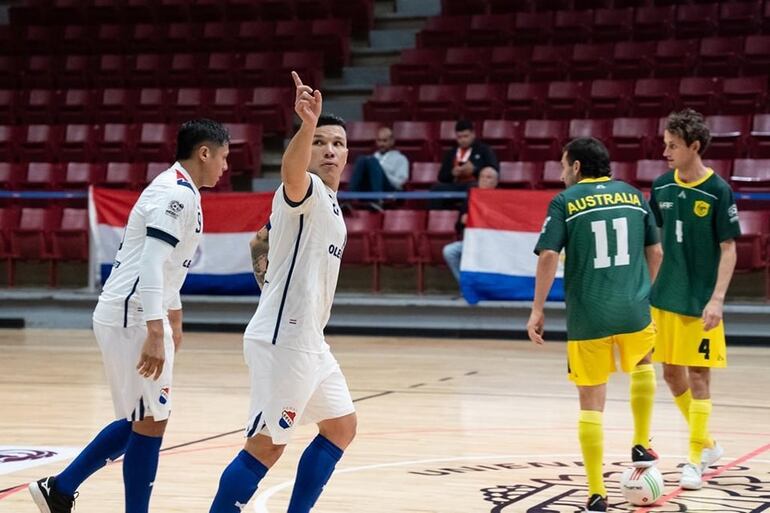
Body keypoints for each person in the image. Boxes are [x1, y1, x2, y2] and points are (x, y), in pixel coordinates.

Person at [29, 119, 230, 513]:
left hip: (136, 312)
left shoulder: (183, 190)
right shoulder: (176, 194)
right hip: (133, 315)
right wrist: (155, 329)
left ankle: (60, 488)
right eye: (224, 156)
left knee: (144, 417)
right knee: (151, 419)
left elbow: (167, 265)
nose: (226, 166)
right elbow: (152, 265)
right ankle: (74, 492)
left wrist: (174, 315)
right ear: (204, 153)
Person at [209, 72, 356, 513]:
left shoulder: (330, 202)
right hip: (287, 340)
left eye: (338, 143)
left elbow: (259, 240)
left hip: (307, 339)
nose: (330, 149)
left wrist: (272, 290)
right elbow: (291, 170)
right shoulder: (305, 188)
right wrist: (305, 125)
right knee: (267, 445)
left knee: (341, 426)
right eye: (321, 142)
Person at [526, 137, 663, 513]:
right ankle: (639, 441)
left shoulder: (565, 203)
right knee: (643, 365)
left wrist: (538, 309)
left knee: (591, 403)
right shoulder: (635, 196)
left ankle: (597, 493)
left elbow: (549, 254)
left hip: (589, 316)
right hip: (634, 309)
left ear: (577, 168)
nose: (559, 172)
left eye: (562, 165)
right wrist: (644, 294)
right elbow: (656, 252)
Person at [650, 108, 740, 490]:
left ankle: (693, 460)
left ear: (694, 146)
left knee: (699, 377)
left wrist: (717, 299)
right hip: (665, 298)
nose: (665, 151)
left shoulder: (718, 190)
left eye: (673, 145)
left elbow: (729, 248)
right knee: (671, 374)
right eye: (665, 144)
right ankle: (708, 445)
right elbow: (653, 242)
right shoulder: (660, 186)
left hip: (700, 300)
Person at [442, 167, 499, 287]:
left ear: (496, 182)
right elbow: (458, 225)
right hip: (471, 242)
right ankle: (466, 286)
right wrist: (463, 221)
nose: (484, 180)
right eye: (482, 177)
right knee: (449, 251)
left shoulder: (501, 199)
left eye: (488, 177)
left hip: (493, 243)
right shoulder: (471, 198)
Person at [430, 119, 498, 209]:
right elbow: (441, 177)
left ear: (473, 134)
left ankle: (464, 218)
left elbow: (493, 169)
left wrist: (474, 170)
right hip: (456, 185)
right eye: (459, 137)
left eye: (466, 136)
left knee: (473, 188)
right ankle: (437, 218)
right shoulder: (451, 152)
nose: (462, 140)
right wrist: (452, 173)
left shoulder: (484, 150)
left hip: (474, 183)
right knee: (436, 188)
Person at [348, 125, 409, 193]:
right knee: (361, 159)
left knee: (373, 162)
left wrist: (382, 173)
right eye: (379, 141)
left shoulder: (400, 159)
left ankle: (377, 200)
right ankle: (349, 199)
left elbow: (400, 183)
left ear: (392, 141)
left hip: (389, 189)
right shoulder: (373, 157)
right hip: (369, 188)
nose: (381, 144)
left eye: (384, 141)